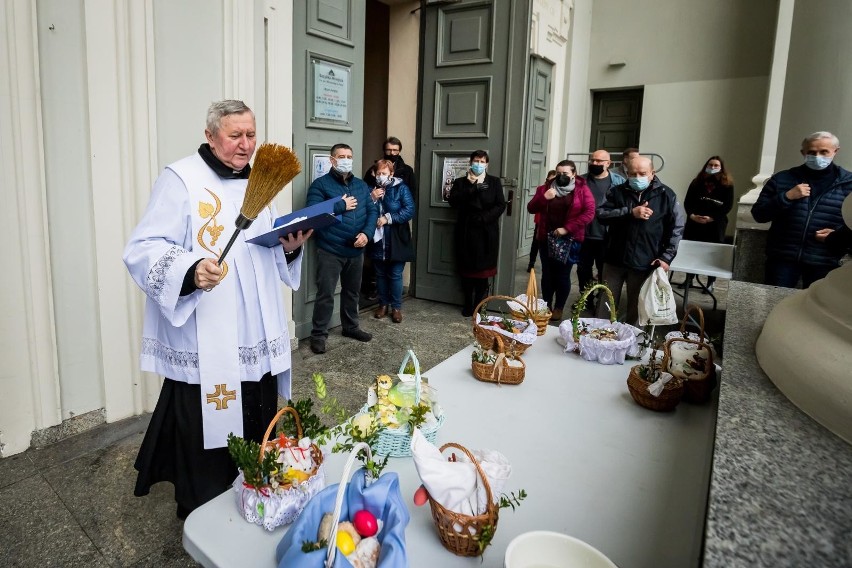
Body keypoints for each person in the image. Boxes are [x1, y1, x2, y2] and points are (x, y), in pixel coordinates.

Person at [123, 100, 312, 519]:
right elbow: (144, 248)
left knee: (257, 414)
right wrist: (191, 271)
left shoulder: (261, 179)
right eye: (235, 136)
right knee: (207, 426)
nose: (246, 145)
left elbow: (267, 245)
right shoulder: (180, 179)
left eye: (251, 134)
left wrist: (291, 248)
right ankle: (203, 508)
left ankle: (256, 488)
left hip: (255, 331)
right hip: (208, 335)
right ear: (210, 136)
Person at [752, 131, 852, 288]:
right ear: (803, 152)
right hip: (783, 258)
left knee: (817, 307)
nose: (817, 156)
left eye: (824, 151)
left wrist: (837, 236)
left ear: (835, 151)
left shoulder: (848, 184)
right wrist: (786, 197)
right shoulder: (783, 179)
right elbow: (759, 214)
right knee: (774, 302)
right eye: (812, 152)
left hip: (824, 259)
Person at [307, 143, 379, 354]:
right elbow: (312, 213)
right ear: (332, 160)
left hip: (356, 250)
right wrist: (340, 205)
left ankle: (351, 327)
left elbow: (372, 212)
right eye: (341, 156)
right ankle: (318, 335)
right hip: (330, 250)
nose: (346, 159)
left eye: (349, 156)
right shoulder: (320, 185)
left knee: (352, 292)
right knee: (326, 294)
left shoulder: (361, 185)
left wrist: (367, 234)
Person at [596, 156, 685, 326]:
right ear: (626, 173)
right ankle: (599, 339)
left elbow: (676, 228)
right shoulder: (616, 192)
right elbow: (601, 215)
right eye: (633, 173)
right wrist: (630, 212)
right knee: (605, 303)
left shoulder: (667, 195)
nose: (637, 178)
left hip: (645, 260)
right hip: (614, 258)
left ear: (652, 173)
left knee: (638, 307)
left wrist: (666, 257)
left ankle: (632, 345)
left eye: (642, 173)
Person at [526, 161, 595, 321]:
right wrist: (544, 198)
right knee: (548, 274)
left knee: (563, 274)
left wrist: (567, 228)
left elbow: (589, 212)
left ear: (573, 174)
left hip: (570, 238)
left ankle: (559, 307)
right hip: (546, 237)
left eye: (565, 173)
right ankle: (546, 305)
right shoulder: (546, 188)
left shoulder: (582, 189)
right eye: (558, 173)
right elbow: (531, 208)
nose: (561, 176)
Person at [448, 150, 506, 317]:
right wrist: (473, 189)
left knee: (483, 273)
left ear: (487, 164)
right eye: (476, 160)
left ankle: (479, 304)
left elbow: (500, 205)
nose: (479, 164)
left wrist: (485, 218)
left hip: (486, 231)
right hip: (466, 230)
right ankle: (467, 303)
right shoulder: (460, 182)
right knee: (466, 271)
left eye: (482, 161)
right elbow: (453, 202)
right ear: (471, 162)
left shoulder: (494, 182)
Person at [368, 159, 415, 323]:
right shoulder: (371, 190)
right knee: (380, 274)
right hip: (377, 239)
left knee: (395, 274)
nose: (381, 176)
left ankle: (396, 307)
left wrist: (388, 218)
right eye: (379, 173)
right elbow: (364, 210)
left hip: (396, 238)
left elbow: (409, 210)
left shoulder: (401, 188)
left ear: (392, 174)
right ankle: (382, 304)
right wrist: (372, 198)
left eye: (385, 173)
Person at [578, 150, 626, 310]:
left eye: (599, 161)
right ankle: (586, 300)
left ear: (608, 163)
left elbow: (622, 208)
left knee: (604, 272)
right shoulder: (581, 180)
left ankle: (601, 301)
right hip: (584, 234)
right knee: (582, 270)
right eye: (593, 160)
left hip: (606, 236)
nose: (595, 163)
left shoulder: (619, 182)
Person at [682, 156, 734, 292]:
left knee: (712, 253)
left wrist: (712, 218)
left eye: (716, 165)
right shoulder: (696, 182)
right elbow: (688, 201)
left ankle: (710, 283)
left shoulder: (727, 185)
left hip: (715, 224)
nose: (713, 167)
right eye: (710, 164)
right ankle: (689, 278)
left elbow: (728, 206)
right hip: (694, 223)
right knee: (691, 252)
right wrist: (692, 215)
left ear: (721, 167)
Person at [527, 170, 556, 272]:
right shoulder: (541, 188)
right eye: (551, 178)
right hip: (540, 219)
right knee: (536, 242)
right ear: (547, 178)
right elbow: (535, 203)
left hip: (553, 222)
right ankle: (531, 262)